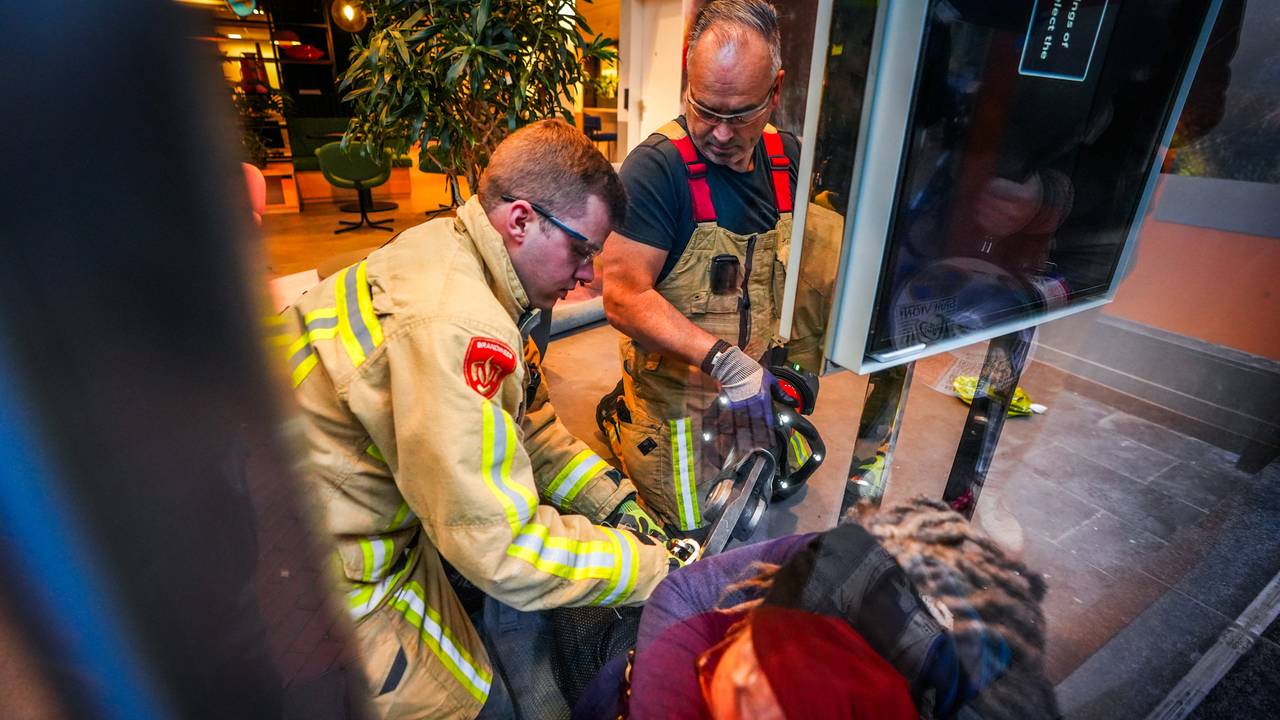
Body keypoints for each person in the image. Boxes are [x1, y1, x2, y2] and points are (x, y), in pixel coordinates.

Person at [281, 119, 683, 719]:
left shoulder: (457, 254)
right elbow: (502, 549)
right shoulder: (459, 324)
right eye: (581, 250)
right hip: (321, 571)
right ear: (520, 220)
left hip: (322, 502)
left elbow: (532, 428)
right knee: (475, 701)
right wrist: (654, 569)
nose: (587, 278)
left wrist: (617, 504)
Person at [597, 0, 803, 533]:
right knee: (693, 532)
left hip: (751, 391)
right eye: (705, 109)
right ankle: (624, 416)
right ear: (687, 80)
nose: (720, 133)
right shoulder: (656, 169)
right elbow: (621, 295)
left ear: (775, 91)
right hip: (678, 400)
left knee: (780, 487)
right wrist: (724, 361)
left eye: (740, 115)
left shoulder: (790, 160)